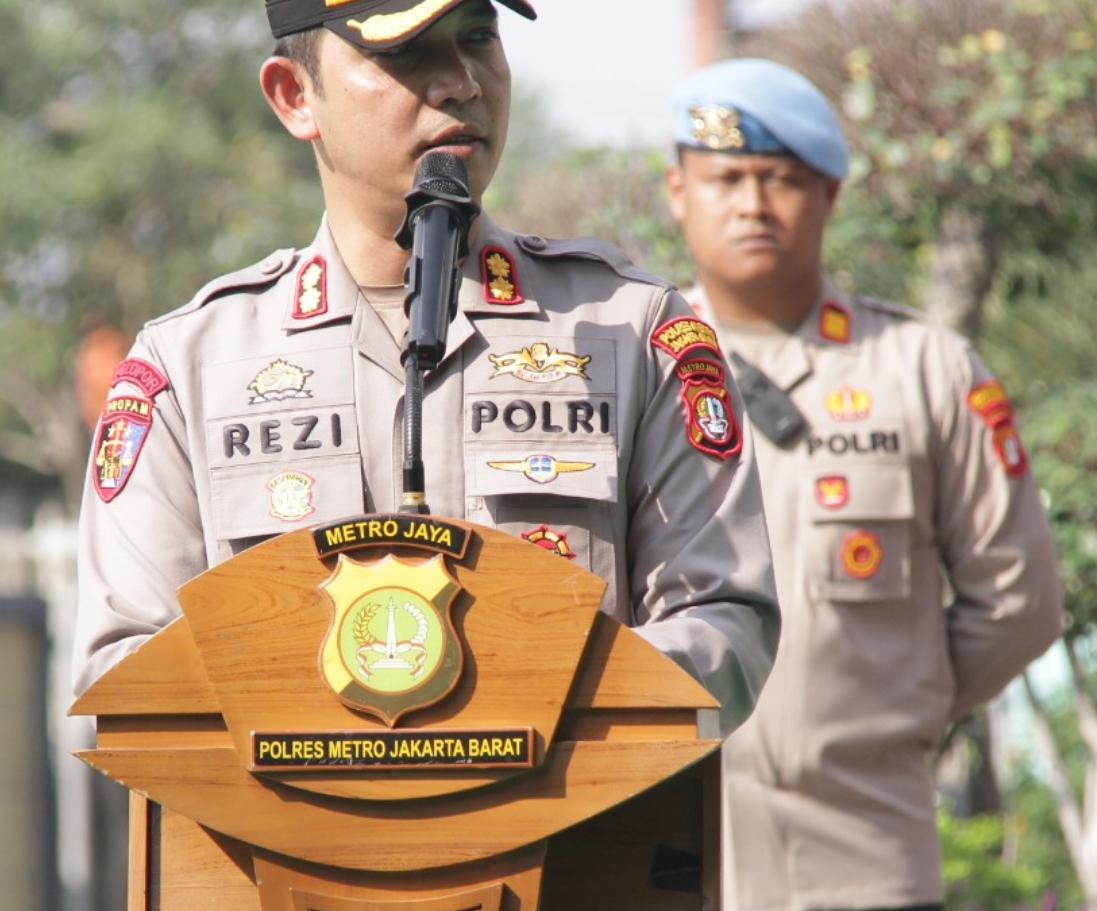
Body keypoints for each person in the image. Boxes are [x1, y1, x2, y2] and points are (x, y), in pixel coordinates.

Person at [73, 0, 779, 738]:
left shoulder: (629, 331)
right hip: (283, 846)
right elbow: (128, 673)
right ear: (294, 97)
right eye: (406, 54)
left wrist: (516, 717)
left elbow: (722, 621)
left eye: (478, 37)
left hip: (574, 840)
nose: (461, 83)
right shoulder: (190, 367)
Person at [664, 59, 1062, 911]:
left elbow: (1018, 599)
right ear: (679, 191)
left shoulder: (925, 371)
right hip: (653, 862)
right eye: (726, 175)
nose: (754, 201)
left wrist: (896, 714)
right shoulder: (623, 365)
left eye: (784, 177)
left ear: (830, 195)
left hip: (856, 862)